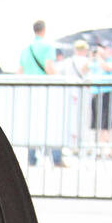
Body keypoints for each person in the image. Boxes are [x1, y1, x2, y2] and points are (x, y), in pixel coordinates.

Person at [20, 19, 65, 168]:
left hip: (29, 90)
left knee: (32, 123)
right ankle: (56, 158)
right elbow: (49, 67)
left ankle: (31, 158)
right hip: (46, 90)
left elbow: (20, 71)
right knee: (53, 123)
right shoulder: (48, 47)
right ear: (44, 30)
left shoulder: (26, 49)